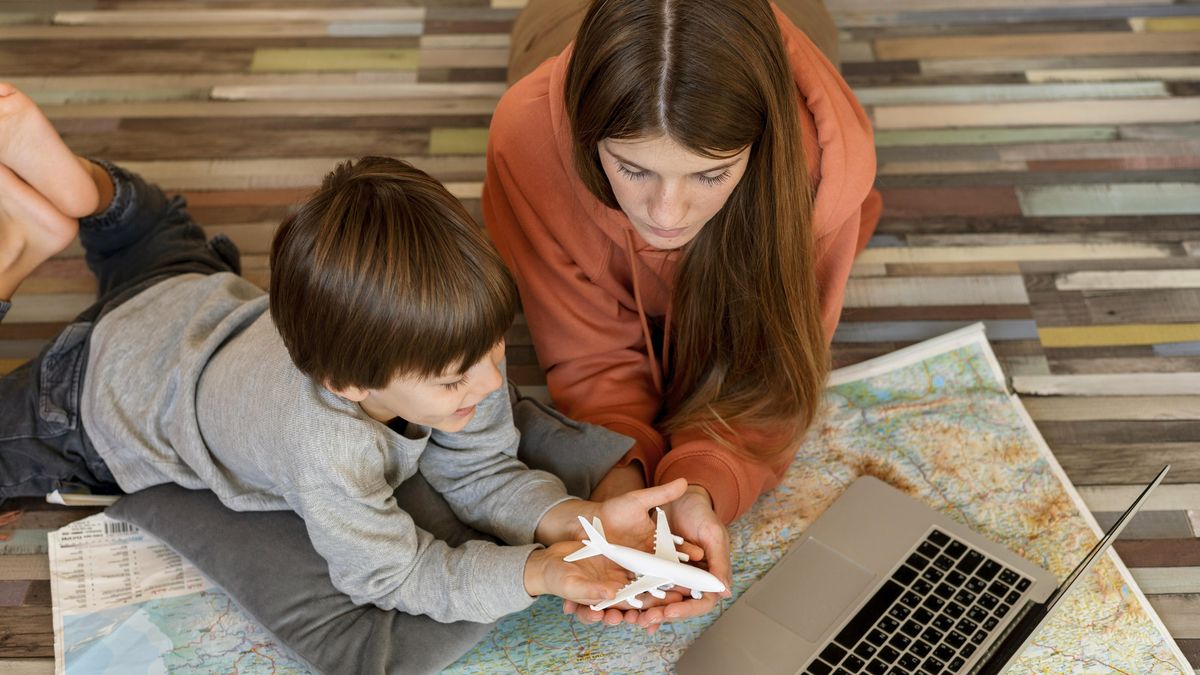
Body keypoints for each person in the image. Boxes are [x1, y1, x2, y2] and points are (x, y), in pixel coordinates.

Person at [0, 83, 693, 670]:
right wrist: (536, 572)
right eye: (454, 379)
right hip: (88, 399)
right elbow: (392, 573)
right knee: (143, 239)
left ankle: (74, 201)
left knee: (158, 231)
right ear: (348, 384)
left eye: (491, 350)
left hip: (188, 296)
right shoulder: (327, 449)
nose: (488, 386)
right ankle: (19, 250)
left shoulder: (447, 353)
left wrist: (584, 522)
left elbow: (484, 472)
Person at [484, 0, 882, 631]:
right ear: (591, 142)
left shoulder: (820, 167)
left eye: (711, 173)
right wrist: (623, 482)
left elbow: (768, 380)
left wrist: (700, 488)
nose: (667, 214)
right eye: (632, 168)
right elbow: (589, 358)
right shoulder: (528, 138)